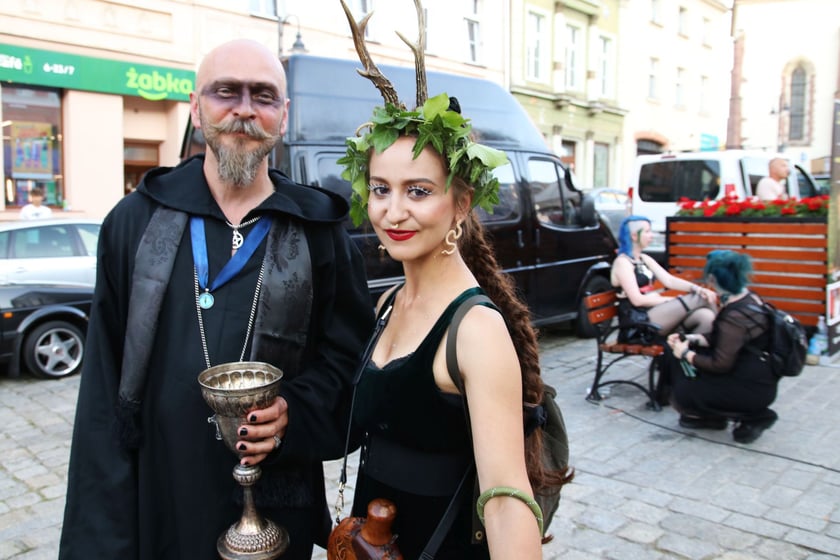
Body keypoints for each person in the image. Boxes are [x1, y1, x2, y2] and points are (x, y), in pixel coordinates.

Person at [58, 39, 374, 560]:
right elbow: (103, 395)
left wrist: (294, 413)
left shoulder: (321, 232)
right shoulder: (133, 223)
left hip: (276, 514)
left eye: (263, 96)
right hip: (160, 501)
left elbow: (351, 366)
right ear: (195, 108)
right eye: (226, 91)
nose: (244, 110)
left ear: (283, 115)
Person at [338, 59, 572, 557]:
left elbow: (506, 500)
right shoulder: (388, 303)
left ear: (461, 204)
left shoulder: (475, 330)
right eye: (380, 189)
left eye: (418, 191)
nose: (392, 211)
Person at [665, 250, 780, 444]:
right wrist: (690, 338)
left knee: (684, 387)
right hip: (759, 380)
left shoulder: (735, 316)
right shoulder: (750, 298)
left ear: (713, 278)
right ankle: (718, 415)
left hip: (750, 388)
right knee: (685, 367)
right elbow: (722, 338)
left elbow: (720, 364)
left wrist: (685, 353)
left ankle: (751, 416)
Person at [611, 215, 717, 340]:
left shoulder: (644, 258)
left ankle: (697, 350)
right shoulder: (623, 263)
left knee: (706, 316)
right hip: (637, 323)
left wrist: (697, 289)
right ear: (634, 236)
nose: (651, 235)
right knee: (702, 298)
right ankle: (728, 338)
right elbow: (637, 300)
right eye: (647, 232)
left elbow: (669, 280)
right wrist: (672, 300)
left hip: (654, 314)